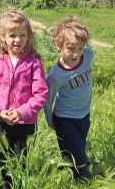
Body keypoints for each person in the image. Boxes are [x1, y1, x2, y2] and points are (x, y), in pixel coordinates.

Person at [0, 9, 48, 189]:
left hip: (26, 124)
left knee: (22, 164)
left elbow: (41, 93)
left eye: (22, 35)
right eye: (12, 35)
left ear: (28, 37)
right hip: (3, 123)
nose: (17, 40)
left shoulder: (33, 62)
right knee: (4, 164)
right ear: (3, 37)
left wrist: (22, 112)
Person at [43, 18, 93, 182]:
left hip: (84, 115)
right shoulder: (56, 76)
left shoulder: (88, 55)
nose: (76, 53)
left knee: (74, 149)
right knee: (79, 156)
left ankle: (71, 175)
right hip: (65, 118)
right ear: (58, 46)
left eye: (80, 48)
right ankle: (86, 181)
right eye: (70, 48)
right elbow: (47, 100)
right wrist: (51, 122)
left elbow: (84, 52)